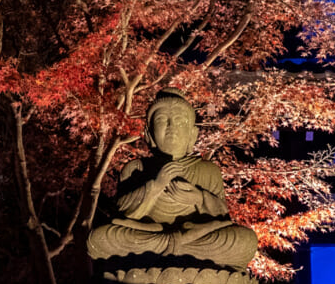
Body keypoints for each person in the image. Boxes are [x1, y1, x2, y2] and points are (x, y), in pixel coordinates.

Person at [86, 88, 258, 271]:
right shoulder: (136, 168)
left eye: (179, 121)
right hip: (149, 237)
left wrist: (200, 199)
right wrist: (155, 186)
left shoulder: (207, 170)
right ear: (149, 134)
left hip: (193, 238)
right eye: (161, 120)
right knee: (100, 239)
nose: (171, 127)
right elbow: (121, 214)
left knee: (245, 240)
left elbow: (222, 217)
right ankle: (175, 248)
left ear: (193, 134)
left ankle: (172, 249)